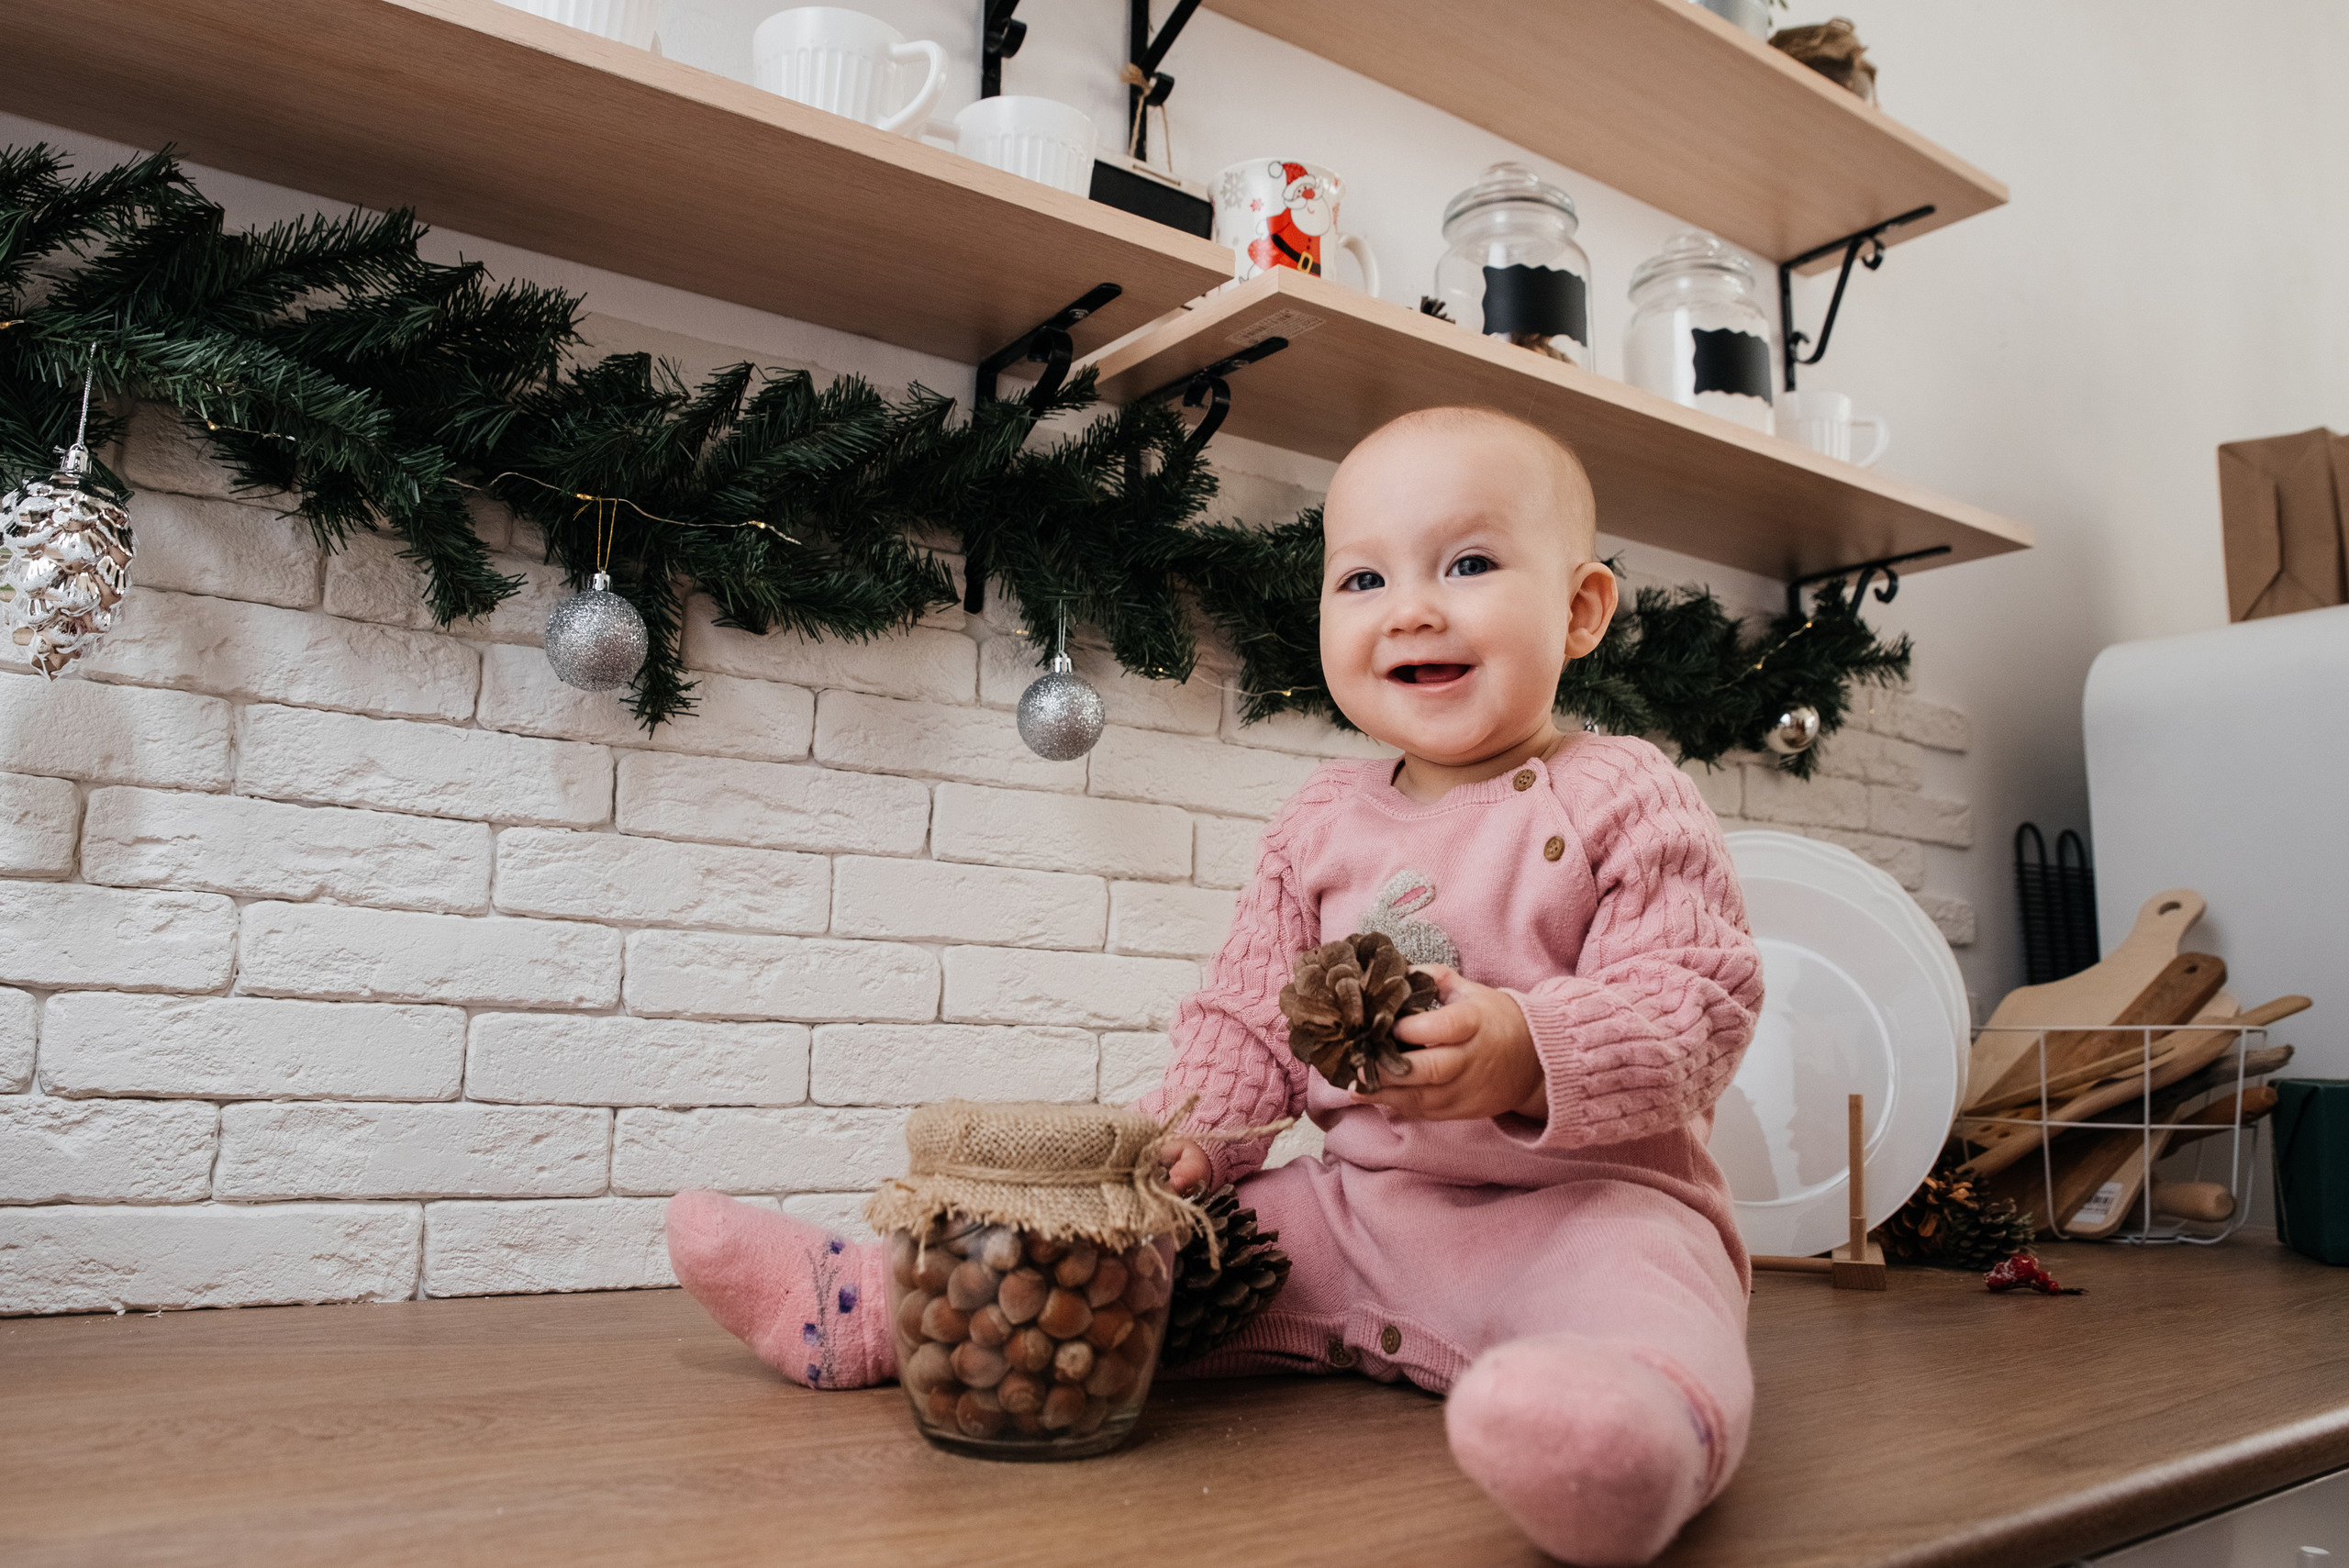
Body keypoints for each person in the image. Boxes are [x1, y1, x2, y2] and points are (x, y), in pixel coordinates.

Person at [665, 406, 1761, 1566]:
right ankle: (873, 1304)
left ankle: (1621, 1436)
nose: (1412, 608)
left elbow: (1698, 992)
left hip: (1586, 1210)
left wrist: (1528, 1046)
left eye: (1471, 564)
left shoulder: (1626, 794)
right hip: (1351, 1211)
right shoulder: (1320, 823)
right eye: (1363, 577)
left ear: (1581, 609)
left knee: (1651, 1294)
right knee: (1141, 1245)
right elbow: (1249, 1018)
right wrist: (1187, 1145)